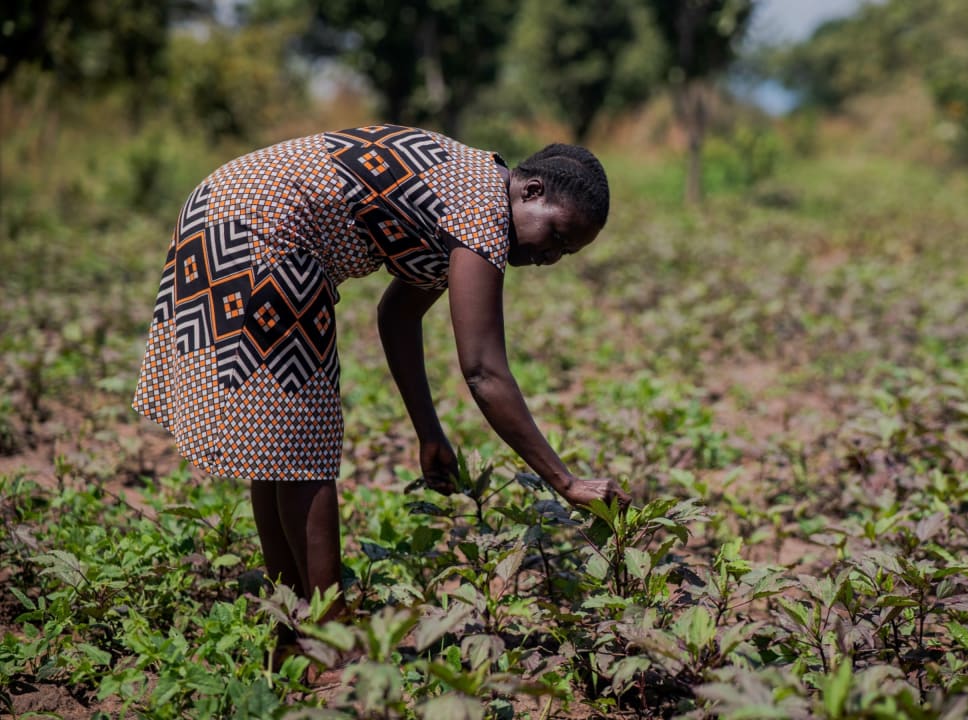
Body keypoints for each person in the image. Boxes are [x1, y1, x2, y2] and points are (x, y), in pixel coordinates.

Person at [131, 124, 631, 648]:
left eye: (565, 253)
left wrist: (428, 430)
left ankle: (292, 629)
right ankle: (330, 642)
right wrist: (566, 482)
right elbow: (483, 369)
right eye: (555, 236)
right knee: (303, 448)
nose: (550, 258)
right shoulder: (482, 207)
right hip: (264, 228)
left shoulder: (462, 192)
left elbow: (398, 316)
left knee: (277, 447)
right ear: (531, 191)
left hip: (223, 207)